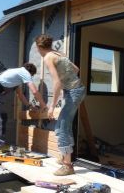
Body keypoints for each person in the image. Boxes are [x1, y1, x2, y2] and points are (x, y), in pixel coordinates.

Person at [35, 34, 86, 176]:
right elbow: (76, 69)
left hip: (73, 92)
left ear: (39, 47)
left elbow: (56, 82)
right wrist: (67, 83)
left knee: (63, 127)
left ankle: (68, 166)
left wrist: (52, 106)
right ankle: (65, 156)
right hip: (76, 90)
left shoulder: (47, 57)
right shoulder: (59, 53)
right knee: (62, 125)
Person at [0, 62, 47, 150]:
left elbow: (20, 95)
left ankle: (1, 144)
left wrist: (30, 106)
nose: (31, 77)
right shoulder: (25, 73)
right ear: (30, 73)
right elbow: (34, 91)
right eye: (32, 76)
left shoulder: (17, 76)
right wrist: (43, 105)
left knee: (3, 116)